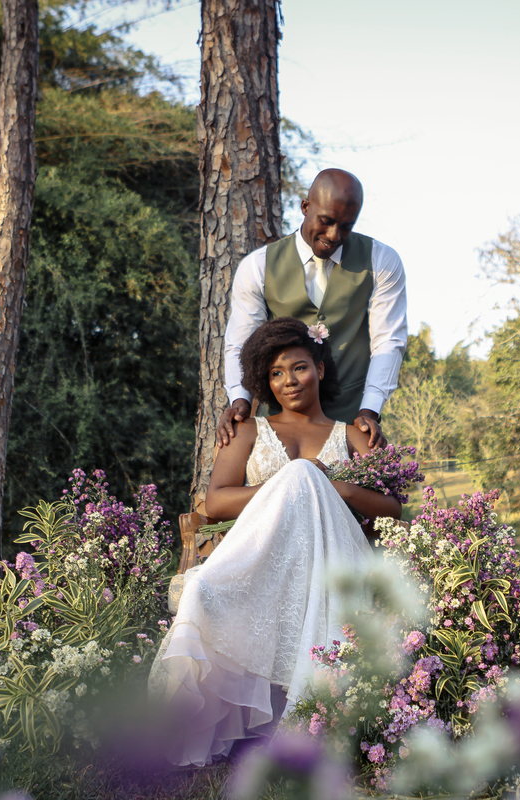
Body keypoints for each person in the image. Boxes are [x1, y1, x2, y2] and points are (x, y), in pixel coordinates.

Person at [150, 317, 402, 766]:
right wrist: (293, 479)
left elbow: (393, 508)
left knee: (306, 472)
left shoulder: (353, 435)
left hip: (335, 561)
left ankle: (315, 718)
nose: (289, 381)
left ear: (320, 369)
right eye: (276, 373)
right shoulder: (248, 429)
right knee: (205, 589)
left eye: (299, 367)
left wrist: (336, 486)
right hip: (264, 557)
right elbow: (216, 500)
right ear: (265, 381)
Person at [219, 168, 407, 449]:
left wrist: (369, 410)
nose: (334, 235)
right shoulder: (258, 267)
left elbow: (388, 342)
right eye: (326, 221)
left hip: (352, 423)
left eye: (346, 226)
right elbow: (240, 343)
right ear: (305, 206)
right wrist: (240, 400)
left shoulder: (381, 261)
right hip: (280, 427)